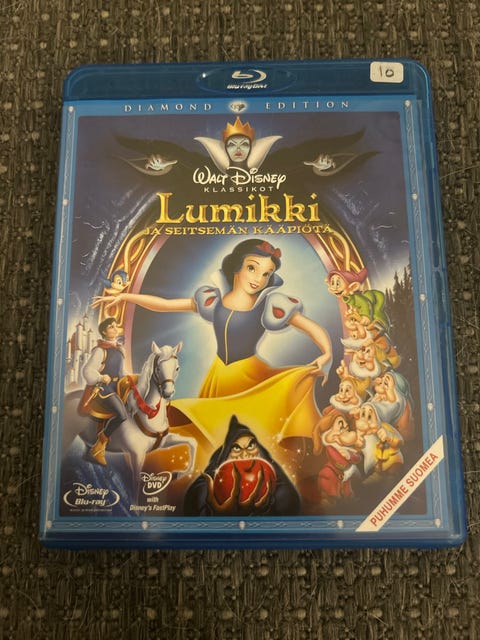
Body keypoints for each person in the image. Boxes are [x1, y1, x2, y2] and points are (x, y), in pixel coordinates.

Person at [92, 239, 332, 458]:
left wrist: (327, 353)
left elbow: (311, 327)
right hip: (217, 377)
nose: (258, 278)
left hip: (249, 377)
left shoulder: (269, 305)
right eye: (252, 268)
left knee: (244, 430)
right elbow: (165, 305)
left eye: (266, 274)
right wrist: (125, 298)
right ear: (237, 267)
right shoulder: (213, 301)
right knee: (212, 435)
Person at [81, 317, 127, 465]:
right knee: (122, 414)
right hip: (104, 388)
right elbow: (87, 370)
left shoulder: (119, 350)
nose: (115, 328)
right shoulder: (100, 350)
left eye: (115, 326)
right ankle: (99, 445)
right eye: (111, 327)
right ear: (104, 332)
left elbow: (121, 371)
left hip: (117, 386)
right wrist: (101, 377)